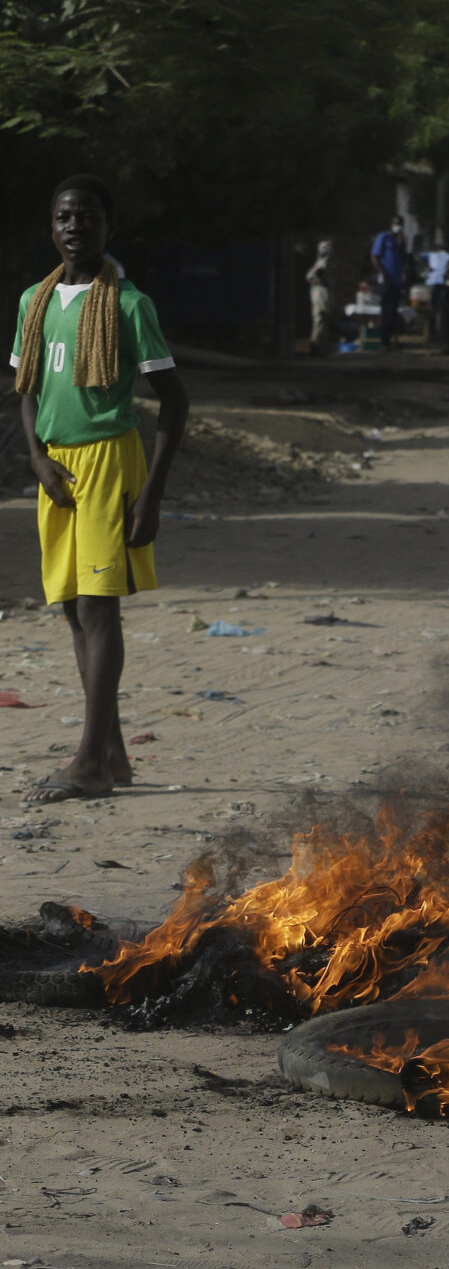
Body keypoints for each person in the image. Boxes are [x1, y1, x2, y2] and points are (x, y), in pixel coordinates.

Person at [13, 176, 187, 803]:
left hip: (110, 460)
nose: (74, 227)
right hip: (56, 468)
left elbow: (174, 401)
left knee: (98, 606)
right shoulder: (35, 299)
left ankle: (89, 763)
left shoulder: (128, 306)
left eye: (87, 217)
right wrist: (35, 457)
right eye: (64, 217)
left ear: (108, 227)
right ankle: (112, 754)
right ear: (51, 227)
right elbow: (26, 386)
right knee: (70, 607)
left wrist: (152, 495)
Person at [422, 232, 449, 354]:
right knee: (443, 316)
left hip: (448, 295)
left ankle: (441, 341)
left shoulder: (432, 256)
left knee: (437, 313)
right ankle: (445, 343)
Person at [305, 239, 338, 356]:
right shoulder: (322, 263)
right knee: (320, 322)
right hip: (320, 297)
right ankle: (315, 348)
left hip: (322, 296)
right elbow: (310, 276)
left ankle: (320, 348)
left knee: (321, 322)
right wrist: (320, 281)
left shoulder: (323, 262)